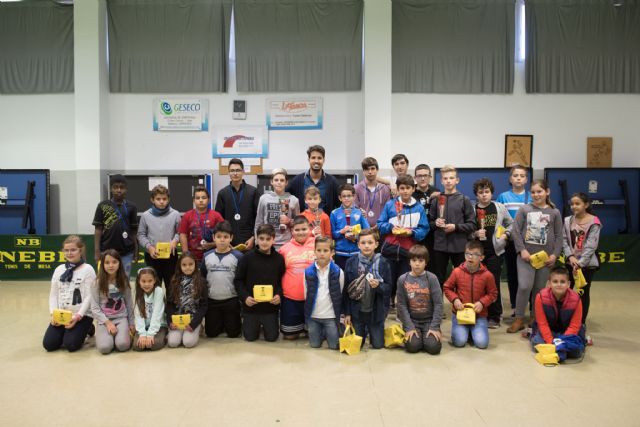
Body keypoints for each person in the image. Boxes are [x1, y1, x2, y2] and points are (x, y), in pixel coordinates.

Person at [507, 179, 563, 334]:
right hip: (526, 257)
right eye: (533, 192)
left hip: (545, 259)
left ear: (547, 192)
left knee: (539, 288)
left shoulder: (555, 212)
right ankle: (519, 318)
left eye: (539, 191)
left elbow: (559, 236)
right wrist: (522, 250)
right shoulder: (524, 209)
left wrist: (555, 255)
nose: (536, 195)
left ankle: (535, 317)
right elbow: (516, 231)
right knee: (524, 286)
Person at [377, 174, 429, 309]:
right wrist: (391, 228)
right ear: (398, 189)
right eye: (402, 188)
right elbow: (380, 224)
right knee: (388, 279)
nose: (405, 191)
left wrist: (412, 233)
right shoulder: (390, 205)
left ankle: (403, 307)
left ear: (413, 189)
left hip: (408, 251)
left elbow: (424, 228)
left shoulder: (419, 208)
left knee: (405, 280)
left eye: (408, 188)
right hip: (390, 249)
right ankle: (387, 303)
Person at [472, 178, 513, 329]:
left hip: (495, 252)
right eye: (480, 192)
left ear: (491, 192)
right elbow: (467, 229)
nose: (484, 195)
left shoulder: (499, 207)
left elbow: (511, 223)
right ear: (476, 194)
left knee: (493, 284)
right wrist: (475, 233)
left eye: (487, 192)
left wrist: (506, 235)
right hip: (477, 253)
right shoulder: (472, 209)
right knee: (477, 284)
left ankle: (495, 316)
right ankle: (479, 312)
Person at [43, 235, 96, 352]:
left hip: (81, 315)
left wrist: (77, 317)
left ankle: (88, 327)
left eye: (73, 250)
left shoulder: (88, 269)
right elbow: (53, 295)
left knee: (70, 345)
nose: (69, 253)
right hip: (63, 314)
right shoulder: (59, 270)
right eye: (66, 250)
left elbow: (89, 296)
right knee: (49, 345)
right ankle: (71, 331)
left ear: (80, 251)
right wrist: (53, 314)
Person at [234, 224, 286, 342]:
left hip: (270, 307)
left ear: (273, 239)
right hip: (251, 307)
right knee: (250, 337)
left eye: (268, 239)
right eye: (261, 239)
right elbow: (238, 280)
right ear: (256, 239)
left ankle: (267, 324)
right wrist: (245, 297)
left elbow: (281, 281)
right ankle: (252, 323)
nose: (264, 242)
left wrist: (279, 295)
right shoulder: (247, 258)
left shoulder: (279, 259)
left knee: (272, 338)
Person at [444, 240, 498, 349]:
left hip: (479, 315)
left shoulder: (488, 275)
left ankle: (470, 331)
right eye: (467, 254)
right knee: (459, 342)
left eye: (475, 254)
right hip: (460, 313)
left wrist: (482, 303)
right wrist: (455, 299)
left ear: (481, 257)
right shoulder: (457, 272)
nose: (470, 257)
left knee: (482, 344)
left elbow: (493, 293)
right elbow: (447, 287)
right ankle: (465, 332)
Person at [343, 229, 392, 349]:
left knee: (378, 345)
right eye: (363, 243)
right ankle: (363, 330)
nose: (366, 246)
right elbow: (346, 290)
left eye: (370, 242)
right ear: (358, 245)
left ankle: (372, 330)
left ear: (376, 244)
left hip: (375, 312)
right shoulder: (351, 262)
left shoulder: (383, 262)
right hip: (357, 312)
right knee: (357, 345)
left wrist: (378, 286)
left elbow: (388, 288)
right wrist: (347, 313)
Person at [429, 165, 476, 288]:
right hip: (440, 246)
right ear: (441, 181)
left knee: (462, 279)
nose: (448, 181)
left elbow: (472, 224)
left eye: (451, 178)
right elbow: (430, 224)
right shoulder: (436, 200)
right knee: (438, 279)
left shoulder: (464, 200)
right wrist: (436, 223)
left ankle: (459, 301)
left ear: (457, 180)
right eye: (445, 178)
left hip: (459, 246)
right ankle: (438, 301)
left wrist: (456, 227)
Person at [531, 266, 586, 361]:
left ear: (568, 284)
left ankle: (559, 347)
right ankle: (556, 347)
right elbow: (542, 323)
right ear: (549, 284)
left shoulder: (576, 299)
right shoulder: (540, 297)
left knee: (576, 352)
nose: (559, 284)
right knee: (537, 343)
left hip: (568, 331)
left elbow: (575, 325)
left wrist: (561, 342)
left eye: (563, 282)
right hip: (549, 329)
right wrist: (551, 341)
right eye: (555, 281)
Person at [562, 192, 602, 325]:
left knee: (583, 293)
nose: (574, 206)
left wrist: (580, 263)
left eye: (577, 204)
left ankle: (580, 323)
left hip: (586, 265)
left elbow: (591, 246)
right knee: (564, 291)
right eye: (572, 204)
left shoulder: (594, 222)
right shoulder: (567, 220)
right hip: (570, 263)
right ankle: (564, 319)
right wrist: (570, 256)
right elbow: (564, 240)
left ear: (586, 205)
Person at [496, 166, 531, 317]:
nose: (518, 178)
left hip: (528, 243)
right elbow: (499, 218)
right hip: (510, 242)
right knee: (512, 274)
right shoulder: (503, 197)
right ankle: (515, 306)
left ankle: (531, 306)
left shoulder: (531, 196)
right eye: (515, 175)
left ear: (526, 179)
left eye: (522, 175)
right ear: (510, 179)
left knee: (529, 275)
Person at [396, 245, 443, 355]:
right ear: (409, 262)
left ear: (426, 262)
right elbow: (401, 305)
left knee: (433, 348)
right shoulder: (402, 279)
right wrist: (409, 327)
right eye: (414, 260)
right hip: (412, 321)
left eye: (421, 261)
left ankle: (427, 337)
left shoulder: (432, 278)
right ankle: (419, 338)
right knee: (413, 346)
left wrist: (434, 327)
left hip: (429, 321)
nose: (417, 264)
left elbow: (438, 304)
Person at [201, 221, 243, 338]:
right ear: (213, 238)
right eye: (219, 237)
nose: (222, 240)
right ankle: (220, 321)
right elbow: (202, 277)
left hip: (231, 300)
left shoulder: (238, 256)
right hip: (212, 300)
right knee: (211, 333)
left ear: (231, 238)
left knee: (233, 334)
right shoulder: (206, 256)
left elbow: (241, 279)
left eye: (225, 237)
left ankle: (227, 322)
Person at [137, 184, 181, 291]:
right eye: (158, 199)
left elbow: (180, 232)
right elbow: (141, 234)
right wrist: (149, 247)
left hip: (170, 256)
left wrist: (175, 240)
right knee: (154, 287)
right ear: (152, 200)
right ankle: (156, 303)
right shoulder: (145, 215)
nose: (161, 202)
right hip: (152, 256)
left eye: (164, 199)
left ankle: (171, 303)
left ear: (168, 199)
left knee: (171, 286)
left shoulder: (175, 214)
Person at [304, 236, 345, 350]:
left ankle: (328, 332)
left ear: (332, 252)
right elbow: (306, 294)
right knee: (315, 345)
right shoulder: (307, 272)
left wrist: (340, 316)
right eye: (319, 250)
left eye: (326, 250)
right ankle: (321, 333)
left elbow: (340, 293)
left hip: (330, 316)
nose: (322, 253)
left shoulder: (338, 272)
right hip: (314, 316)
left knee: (334, 346)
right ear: (314, 252)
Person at [93, 174, 138, 276]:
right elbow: (98, 229)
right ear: (111, 189)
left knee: (124, 280)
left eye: (122, 187)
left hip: (126, 253)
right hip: (106, 251)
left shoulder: (132, 206)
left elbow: (134, 231)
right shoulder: (103, 205)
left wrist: (136, 250)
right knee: (106, 281)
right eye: (115, 187)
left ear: (126, 189)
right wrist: (97, 251)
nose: (119, 190)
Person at [279, 216, 316, 340]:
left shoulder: (318, 244)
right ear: (292, 231)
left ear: (310, 229)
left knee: (313, 335)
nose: (301, 232)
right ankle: (299, 327)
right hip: (291, 298)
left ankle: (307, 327)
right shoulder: (284, 249)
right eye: (297, 230)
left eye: (304, 229)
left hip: (314, 297)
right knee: (290, 336)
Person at [91, 250, 134, 354]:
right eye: (107, 262)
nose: (111, 265)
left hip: (121, 318)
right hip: (104, 320)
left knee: (122, 345)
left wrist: (131, 323)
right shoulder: (96, 283)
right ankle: (109, 337)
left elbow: (129, 303)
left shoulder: (123, 280)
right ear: (102, 264)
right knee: (104, 348)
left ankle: (121, 336)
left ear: (119, 263)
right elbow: (94, 308)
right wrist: (107, 323)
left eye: (114, 262)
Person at [215, 158, 261, 249]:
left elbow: (259, 218)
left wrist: (254, 238)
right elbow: (219, 220)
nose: (235, 173)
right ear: (228, 173)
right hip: (229, 241)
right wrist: (225, 240)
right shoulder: (222, 193)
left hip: (249, 240)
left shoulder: (253, 192)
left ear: (243, 172)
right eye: (232, 171)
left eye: (238, 170)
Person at [166, 252, 208, 348]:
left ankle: (199, 327)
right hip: (177, 319)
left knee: (188, 343)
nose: (187, 267)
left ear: (195, 264)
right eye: (184, 265)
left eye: (190, 264)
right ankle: (174, 333)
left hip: (193, 319)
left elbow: (203, 306)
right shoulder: (174, 281)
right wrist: (170, 322)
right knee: (173, 343)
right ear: (179, 266)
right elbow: (169, 304)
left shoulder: (201, 281)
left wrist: (194, 323)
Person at [255, 168, 300, 250]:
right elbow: (259, 222)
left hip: (287, 243)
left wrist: (289, 221)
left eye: (282, 180)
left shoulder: (294, 200)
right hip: (267, 242)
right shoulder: (264, 198)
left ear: (286, 182)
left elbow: (298, 224)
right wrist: (257, 241)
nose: (279, 182)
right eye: (276, 180)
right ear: (271, 182)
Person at [287, 145, 340, 214]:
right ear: (309, 159)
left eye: (319, 158)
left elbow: (340, 205)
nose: (316, 161)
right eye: (313, 158)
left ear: (323, 160)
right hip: (303, 220)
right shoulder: (297, 181)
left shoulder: (332, 182)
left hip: (325, 220)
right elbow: (285, 197)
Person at [178, 185, 224, 262]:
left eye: (204, 198)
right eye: (197, 198)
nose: (201, 200)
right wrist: (186, 255)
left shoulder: (216, 216)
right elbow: (183, 235)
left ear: (209, 200)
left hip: (213, 256)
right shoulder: (187, 216)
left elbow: (224, 234)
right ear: (194, 200)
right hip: (192, 258)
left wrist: (213, 244)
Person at [331, 183, 370, 269]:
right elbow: (332, 234)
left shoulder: (360, 212)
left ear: (354, 197)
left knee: (355, 276)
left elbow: (367, 231)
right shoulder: (334, 213)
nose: (346, 198)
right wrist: (341, 231)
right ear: (340, 198)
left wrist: (356, 236)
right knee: (341, 276)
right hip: (340, 253)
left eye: (349, 196)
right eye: (344, 196)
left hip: (356, 252)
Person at [413, 164, 440, 273]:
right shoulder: (411, 193)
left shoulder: (436, 191)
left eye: (425, 175)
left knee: (432, 267)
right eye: (419, 176)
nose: (423, 178)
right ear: (415, 178)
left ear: (430, 177)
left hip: (433, 236)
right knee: (417, 266)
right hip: (417, 236)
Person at [133, 267, 167, 351]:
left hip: (159, 326)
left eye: (150, 281)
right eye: (143, 281)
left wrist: (150, 334)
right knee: (137, 346)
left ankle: (165, 336)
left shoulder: (158, 291)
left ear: (154, 280)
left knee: (154, 344)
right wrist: (142, 334)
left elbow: (157, 314)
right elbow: (138, 315)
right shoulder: (138, 292)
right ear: (139, 281)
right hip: (144, 326)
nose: (147, 284)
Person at [354, 157, 391, 228]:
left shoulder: (385, 189)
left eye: (372, 168)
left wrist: (379, 226)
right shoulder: (356, 188)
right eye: (367, 169)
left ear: (377, 170)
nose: (370, 172)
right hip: (363, 230)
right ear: (363, 171)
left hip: (381, 229)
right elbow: (355, 211)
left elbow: (388, 211)